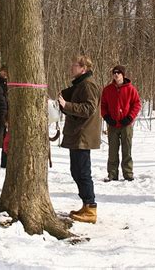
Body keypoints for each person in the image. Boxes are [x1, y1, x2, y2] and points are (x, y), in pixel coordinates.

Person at [58, 55, 101, 224]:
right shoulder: (80, 84)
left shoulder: (88, 85)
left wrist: (66, 105)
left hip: (83, 135)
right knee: (76, 171)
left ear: (83, 68)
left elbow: (89, 108)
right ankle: (86, 205)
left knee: (82, 172)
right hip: (77, 134)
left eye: (74, 65)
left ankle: (90, 208)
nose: (71, 67)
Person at [101, 65, 141, 182]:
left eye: (118, 73)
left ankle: (128, 173)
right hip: (113, 124)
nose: (116, 74)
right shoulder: (107, 89)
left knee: (126, 150)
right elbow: (103, 105)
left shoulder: (131, 89)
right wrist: (107, 117)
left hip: (126, 125)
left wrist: (130, 117)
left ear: (123, 75)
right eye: (114, 72)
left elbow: (137, 104)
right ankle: (112, 174)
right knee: (112, 151)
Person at [0, 65, 9, 168]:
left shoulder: (10, 82)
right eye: (3, 72)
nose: (5, 74)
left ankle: (5, 162)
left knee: (6, 139)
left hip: (9, 113)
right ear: (0, 71)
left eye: (6, 72)